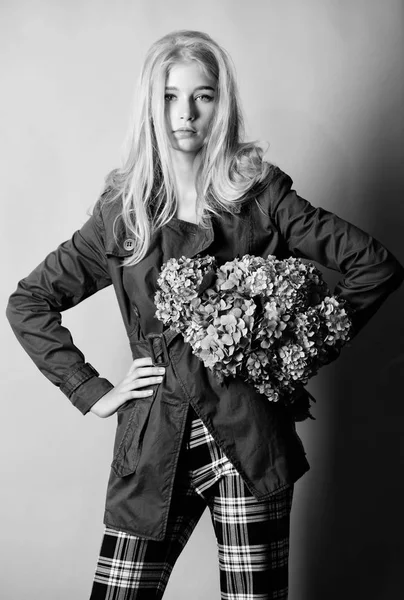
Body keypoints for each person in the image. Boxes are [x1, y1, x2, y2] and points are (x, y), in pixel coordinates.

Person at [6, 29, 404, 600]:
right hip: (153, 441)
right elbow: (29, 301)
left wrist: (293, 345)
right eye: (169, 96)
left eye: (203, 95)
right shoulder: (123, 216)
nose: (185, 113)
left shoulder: (263, 198)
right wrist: (92, 391)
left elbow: (374, 267)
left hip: (250, 438)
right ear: (150, 104)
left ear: (223, 104)